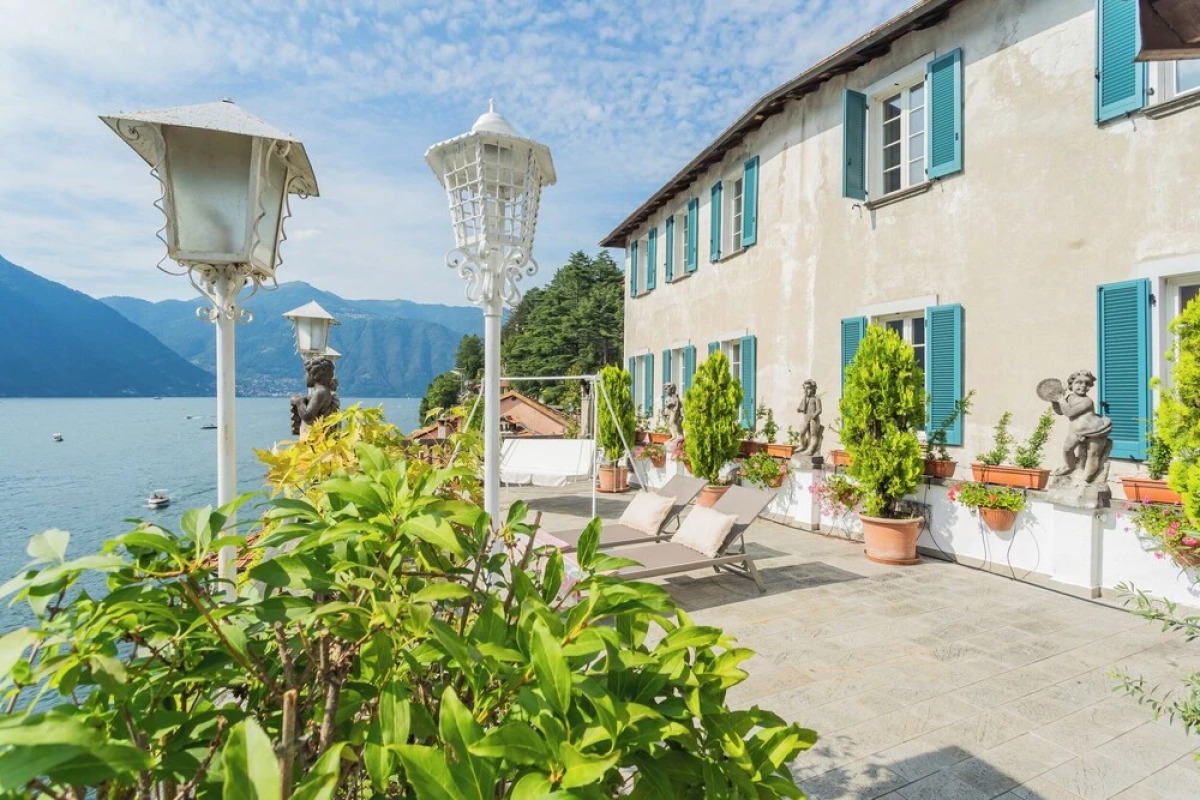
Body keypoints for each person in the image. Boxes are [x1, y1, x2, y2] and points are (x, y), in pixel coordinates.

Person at [1049, 369, 1112, 483]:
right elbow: (1060, 411)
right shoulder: (1068, 398)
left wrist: (1060, 400)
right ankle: (1069, 466)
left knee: (1093, 454)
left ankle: (1088, 478)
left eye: (1087, 383)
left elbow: (1070, 413)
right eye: (1079, 382)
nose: (1083, 386)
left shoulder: (1087, 401)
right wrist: (1055, 401)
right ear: (1071, 385)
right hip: (1076, 430)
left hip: (1094, 429)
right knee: (1067, 449)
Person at [291, 357, 340, 435]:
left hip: (315, 435)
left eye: (306, 373)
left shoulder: (320, 392)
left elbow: (307, 416)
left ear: (314, 375)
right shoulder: (323, 391)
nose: (305, 377)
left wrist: (299, 402)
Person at [797, 379, 824, 456]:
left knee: (813, 434)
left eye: (808, 388)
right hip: (806, 419)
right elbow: (801, 408)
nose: (806, 391)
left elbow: (819, 410)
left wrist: (814, 415)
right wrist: (799, 409)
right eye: (804, 389)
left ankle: (811, 450)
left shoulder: (816, 399)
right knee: (801, 433)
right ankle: (803, 445)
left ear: (813, 389)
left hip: (814, 420)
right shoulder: (804, 399)